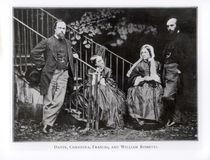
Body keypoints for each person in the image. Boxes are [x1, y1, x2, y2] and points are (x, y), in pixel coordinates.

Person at [30, 20, 79, 133]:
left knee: (59, 101)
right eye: (60, 28)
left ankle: (46, 123)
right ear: (55, 29)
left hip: (64, 74)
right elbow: (34, 53)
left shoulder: (67, 43)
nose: (62, 30)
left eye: (64, 28)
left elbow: (69, 56)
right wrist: (43, 65)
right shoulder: (48, 41)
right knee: (48, 100)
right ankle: (47, 126)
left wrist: (74, 56)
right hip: (50, 74)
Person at [161, 17, 192, 126]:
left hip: (175, 70)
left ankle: (175, 118)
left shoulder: (183, 38)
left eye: (171, 25)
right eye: (167, 26)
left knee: (168, 95)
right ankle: (175, 119)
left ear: (177, 26)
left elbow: (189, 55)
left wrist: (180, 69)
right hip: (166, 69)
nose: (169, 28)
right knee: (173, 95)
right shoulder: (169, 39)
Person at [81, 55, 126, 129]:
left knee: (113, 100)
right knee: (96, 94)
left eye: (102, 60)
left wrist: (105, 81)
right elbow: (90, 83)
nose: (102, 62)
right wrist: (97, 76)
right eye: (99, 61)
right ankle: (99, 119)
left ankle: (111, 121)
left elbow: (111, 82)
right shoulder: (90, 70)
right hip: (94, 87)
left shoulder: (107, 70)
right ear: (95, 64)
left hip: (106, 88)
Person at [126, 44, 163, 126]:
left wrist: (155, 78)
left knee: (155, 94)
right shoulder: (138, 64)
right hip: (141, 84)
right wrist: (142, 79)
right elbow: (132, 76)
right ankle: (142, 121)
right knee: (141, 94)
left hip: (154, 84)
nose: (143, 54)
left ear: (150, 53)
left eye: (145, 52)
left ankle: (154, 120)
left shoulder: (156, 63)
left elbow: (160, 74)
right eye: (142, 52)